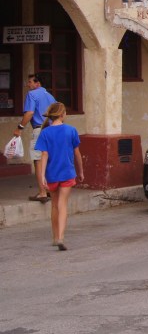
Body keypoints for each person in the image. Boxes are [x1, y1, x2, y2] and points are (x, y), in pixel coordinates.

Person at [35, 102, 84, 251]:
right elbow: (77, 153)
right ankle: (61, 237)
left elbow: (44, 155)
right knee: (63, 205)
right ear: (62, 115)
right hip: (67, 173)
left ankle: (55, 236)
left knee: (55, 205)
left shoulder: (45, 133)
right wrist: (81, 171)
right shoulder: (71, 130)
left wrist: (42, 176)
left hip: (52, 174)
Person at [13, 74, 57, 203]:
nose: (28, 84)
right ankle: (49, 189)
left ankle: (42, 192)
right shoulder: (50, 96)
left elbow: (30, 112)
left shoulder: (32, 95)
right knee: (48, 160)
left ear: (37, 84)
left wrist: (20, 127)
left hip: (40, 129)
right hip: (52, 129)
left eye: (30, 82)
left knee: (38, 160)